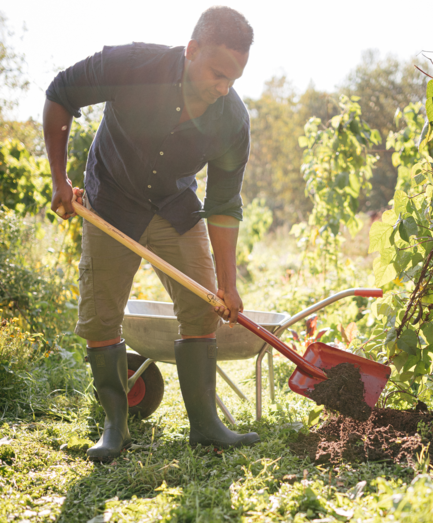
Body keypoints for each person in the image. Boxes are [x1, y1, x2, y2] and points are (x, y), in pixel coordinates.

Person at [43, 6, 260, 462]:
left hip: (174, 206)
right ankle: (115, 427)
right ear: (192, 50)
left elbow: (223, 207)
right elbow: (61, 93)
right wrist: (60, 180)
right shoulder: (131, 65)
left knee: (204, 307)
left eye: (234, 80)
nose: (224, 88)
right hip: (112, 201)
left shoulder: (232, 122)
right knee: (101, 317)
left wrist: (228, 284)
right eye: (217, 74)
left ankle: (205, 425)